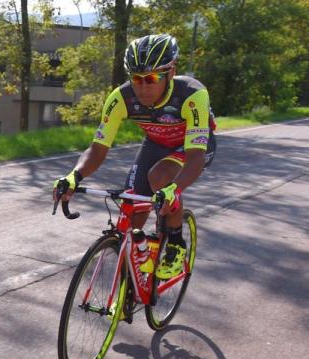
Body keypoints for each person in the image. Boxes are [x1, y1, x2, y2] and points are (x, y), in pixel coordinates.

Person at [53, 33, 216, 279]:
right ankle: (133, 277)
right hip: (156, 142)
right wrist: (74, 177)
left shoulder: (192, 95)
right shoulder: (121, 97)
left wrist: (175, 189)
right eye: (136, 79)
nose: (143, 87)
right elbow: (98, 149)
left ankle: (174, 243)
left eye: (151, 79)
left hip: (190, 147)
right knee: (132, 205)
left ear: (171, 72)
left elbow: (195, 157)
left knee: (160, 178)